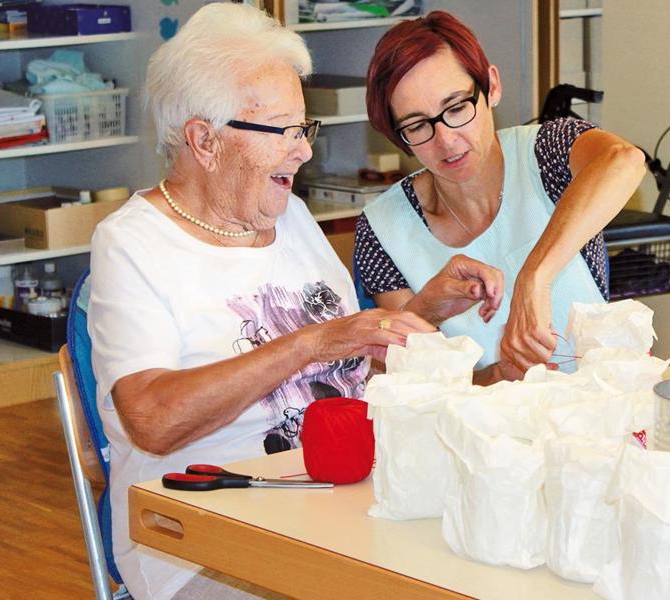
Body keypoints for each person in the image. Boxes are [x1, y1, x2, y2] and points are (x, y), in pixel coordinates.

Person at [87, 4, 436, 598]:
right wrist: (307, 345)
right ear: (204, 140)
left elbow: (353, 364)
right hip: (202, 538)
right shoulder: (132, 242)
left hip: (338, 503)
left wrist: (421, 322)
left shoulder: (293, 217)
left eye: (305, 129)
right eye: (283, 131)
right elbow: (151, 420)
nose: (302, 153)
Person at [356, 11, 647, 383]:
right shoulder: (383, 231)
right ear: (398, 135)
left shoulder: (548, 153)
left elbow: (623, 160)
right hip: (477, 432)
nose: (447, 140)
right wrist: (499, 374)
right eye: (417, 125)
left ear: (491, 86)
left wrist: (534, 278)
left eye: (458, 107)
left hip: (602, 408)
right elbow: (407, 382)